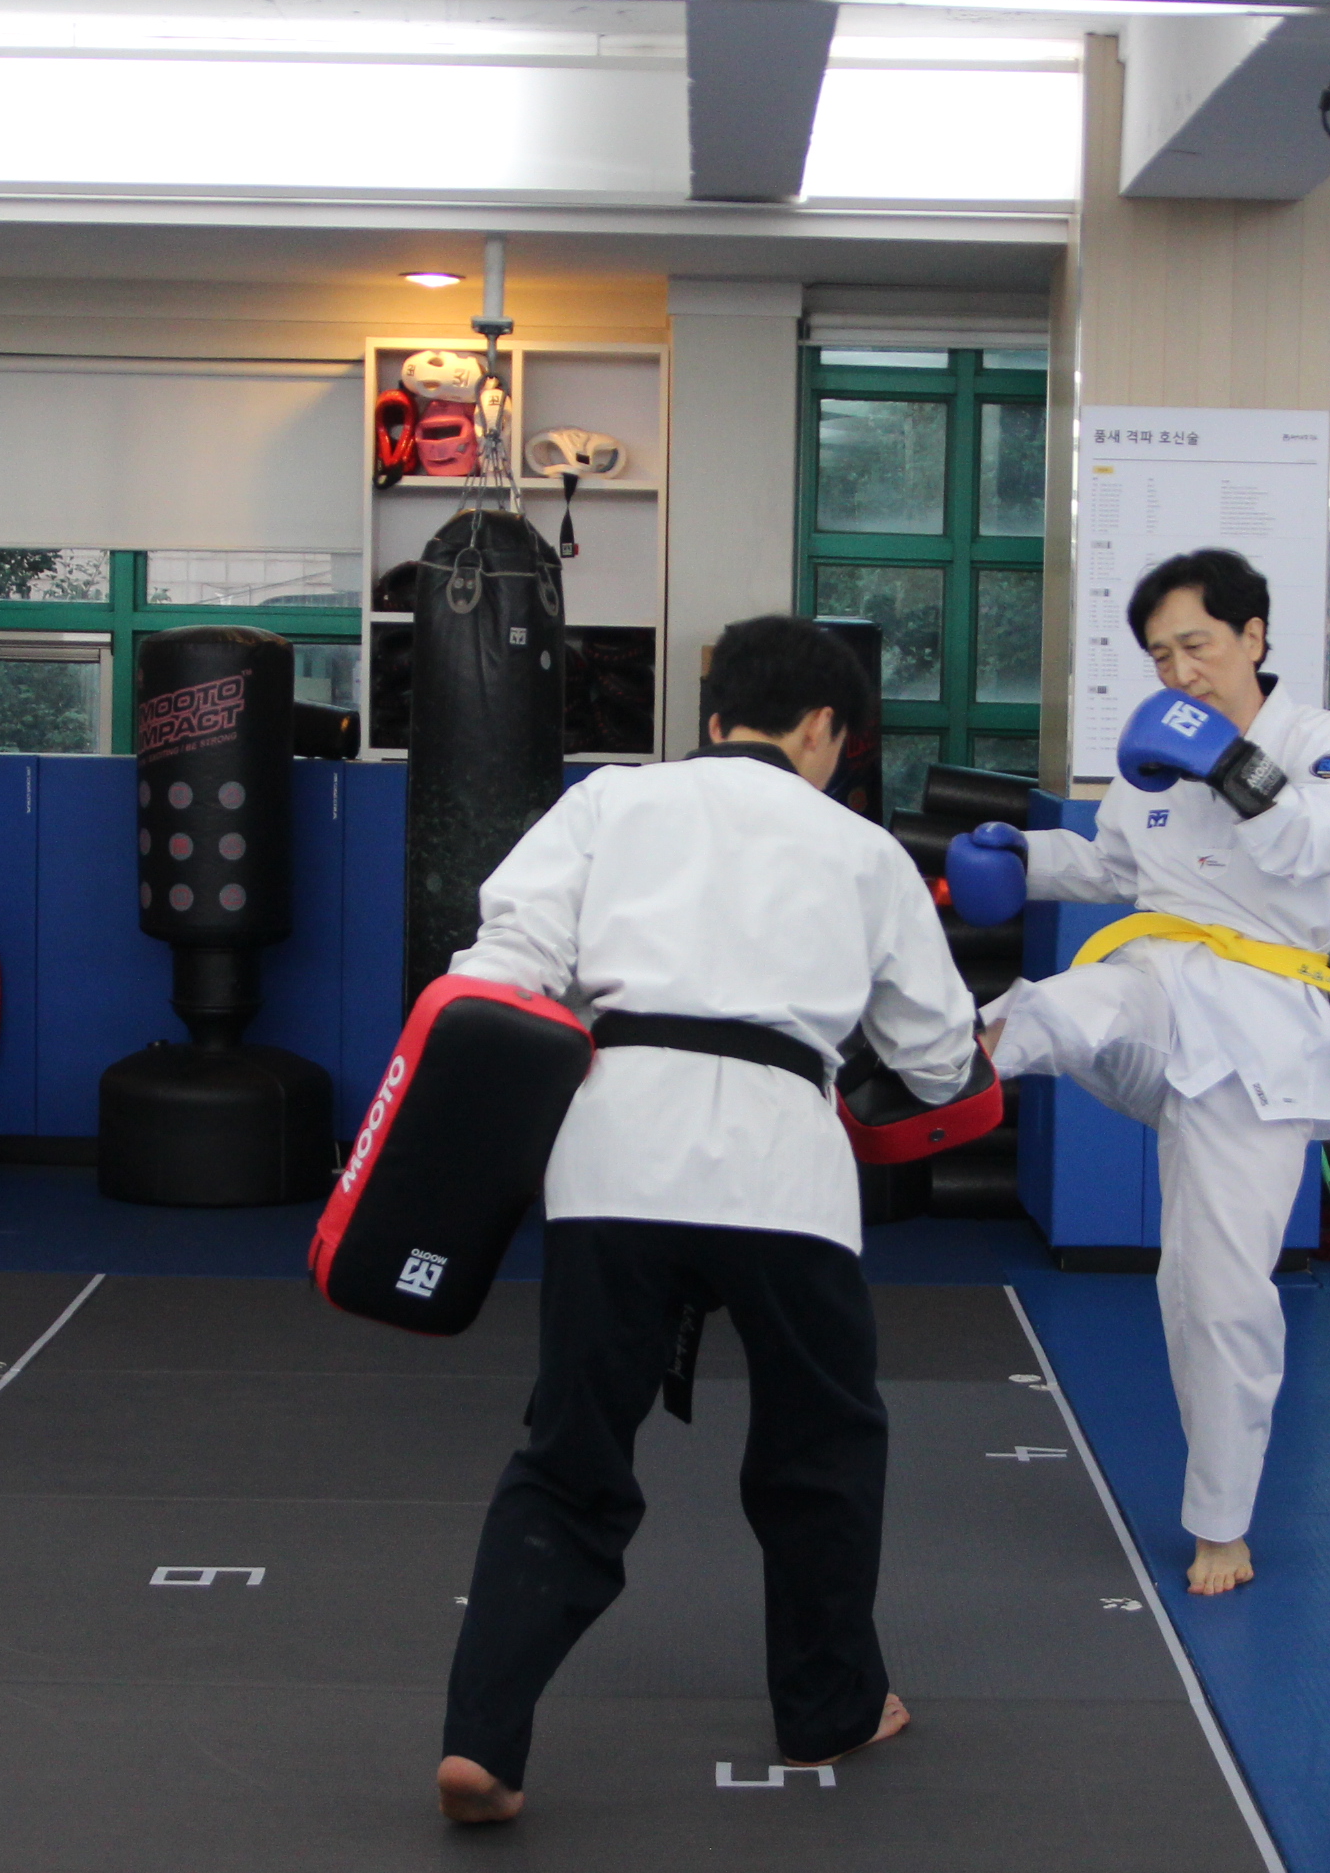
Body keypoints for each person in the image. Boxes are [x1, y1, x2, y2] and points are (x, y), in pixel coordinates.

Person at [432, 614, 985, 1827]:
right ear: (827, 728)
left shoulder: (611, 803)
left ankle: (482, 1744)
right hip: (786, 1176)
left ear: (715, 712)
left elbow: (501, 965)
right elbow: (941, 1061)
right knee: (821, 1451)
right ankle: (831, 1708)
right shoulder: (862, 850)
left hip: (615, 1157)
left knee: (570, 1457)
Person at [954, 549, 1330, 1598]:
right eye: (1159, 654)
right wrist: (1021, 856)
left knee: (1214, 1297)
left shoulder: (1321, 745)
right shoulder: (1149, 754)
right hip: (1159, 991)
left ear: (1253, 636)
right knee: (1077, 1001)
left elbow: (1315, 849)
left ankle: (1222, 1527)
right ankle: (952, 1064)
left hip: (1260, 1046)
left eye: (1196, 644)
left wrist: (1229, 765)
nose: (1179, 670)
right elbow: (1111, 866)